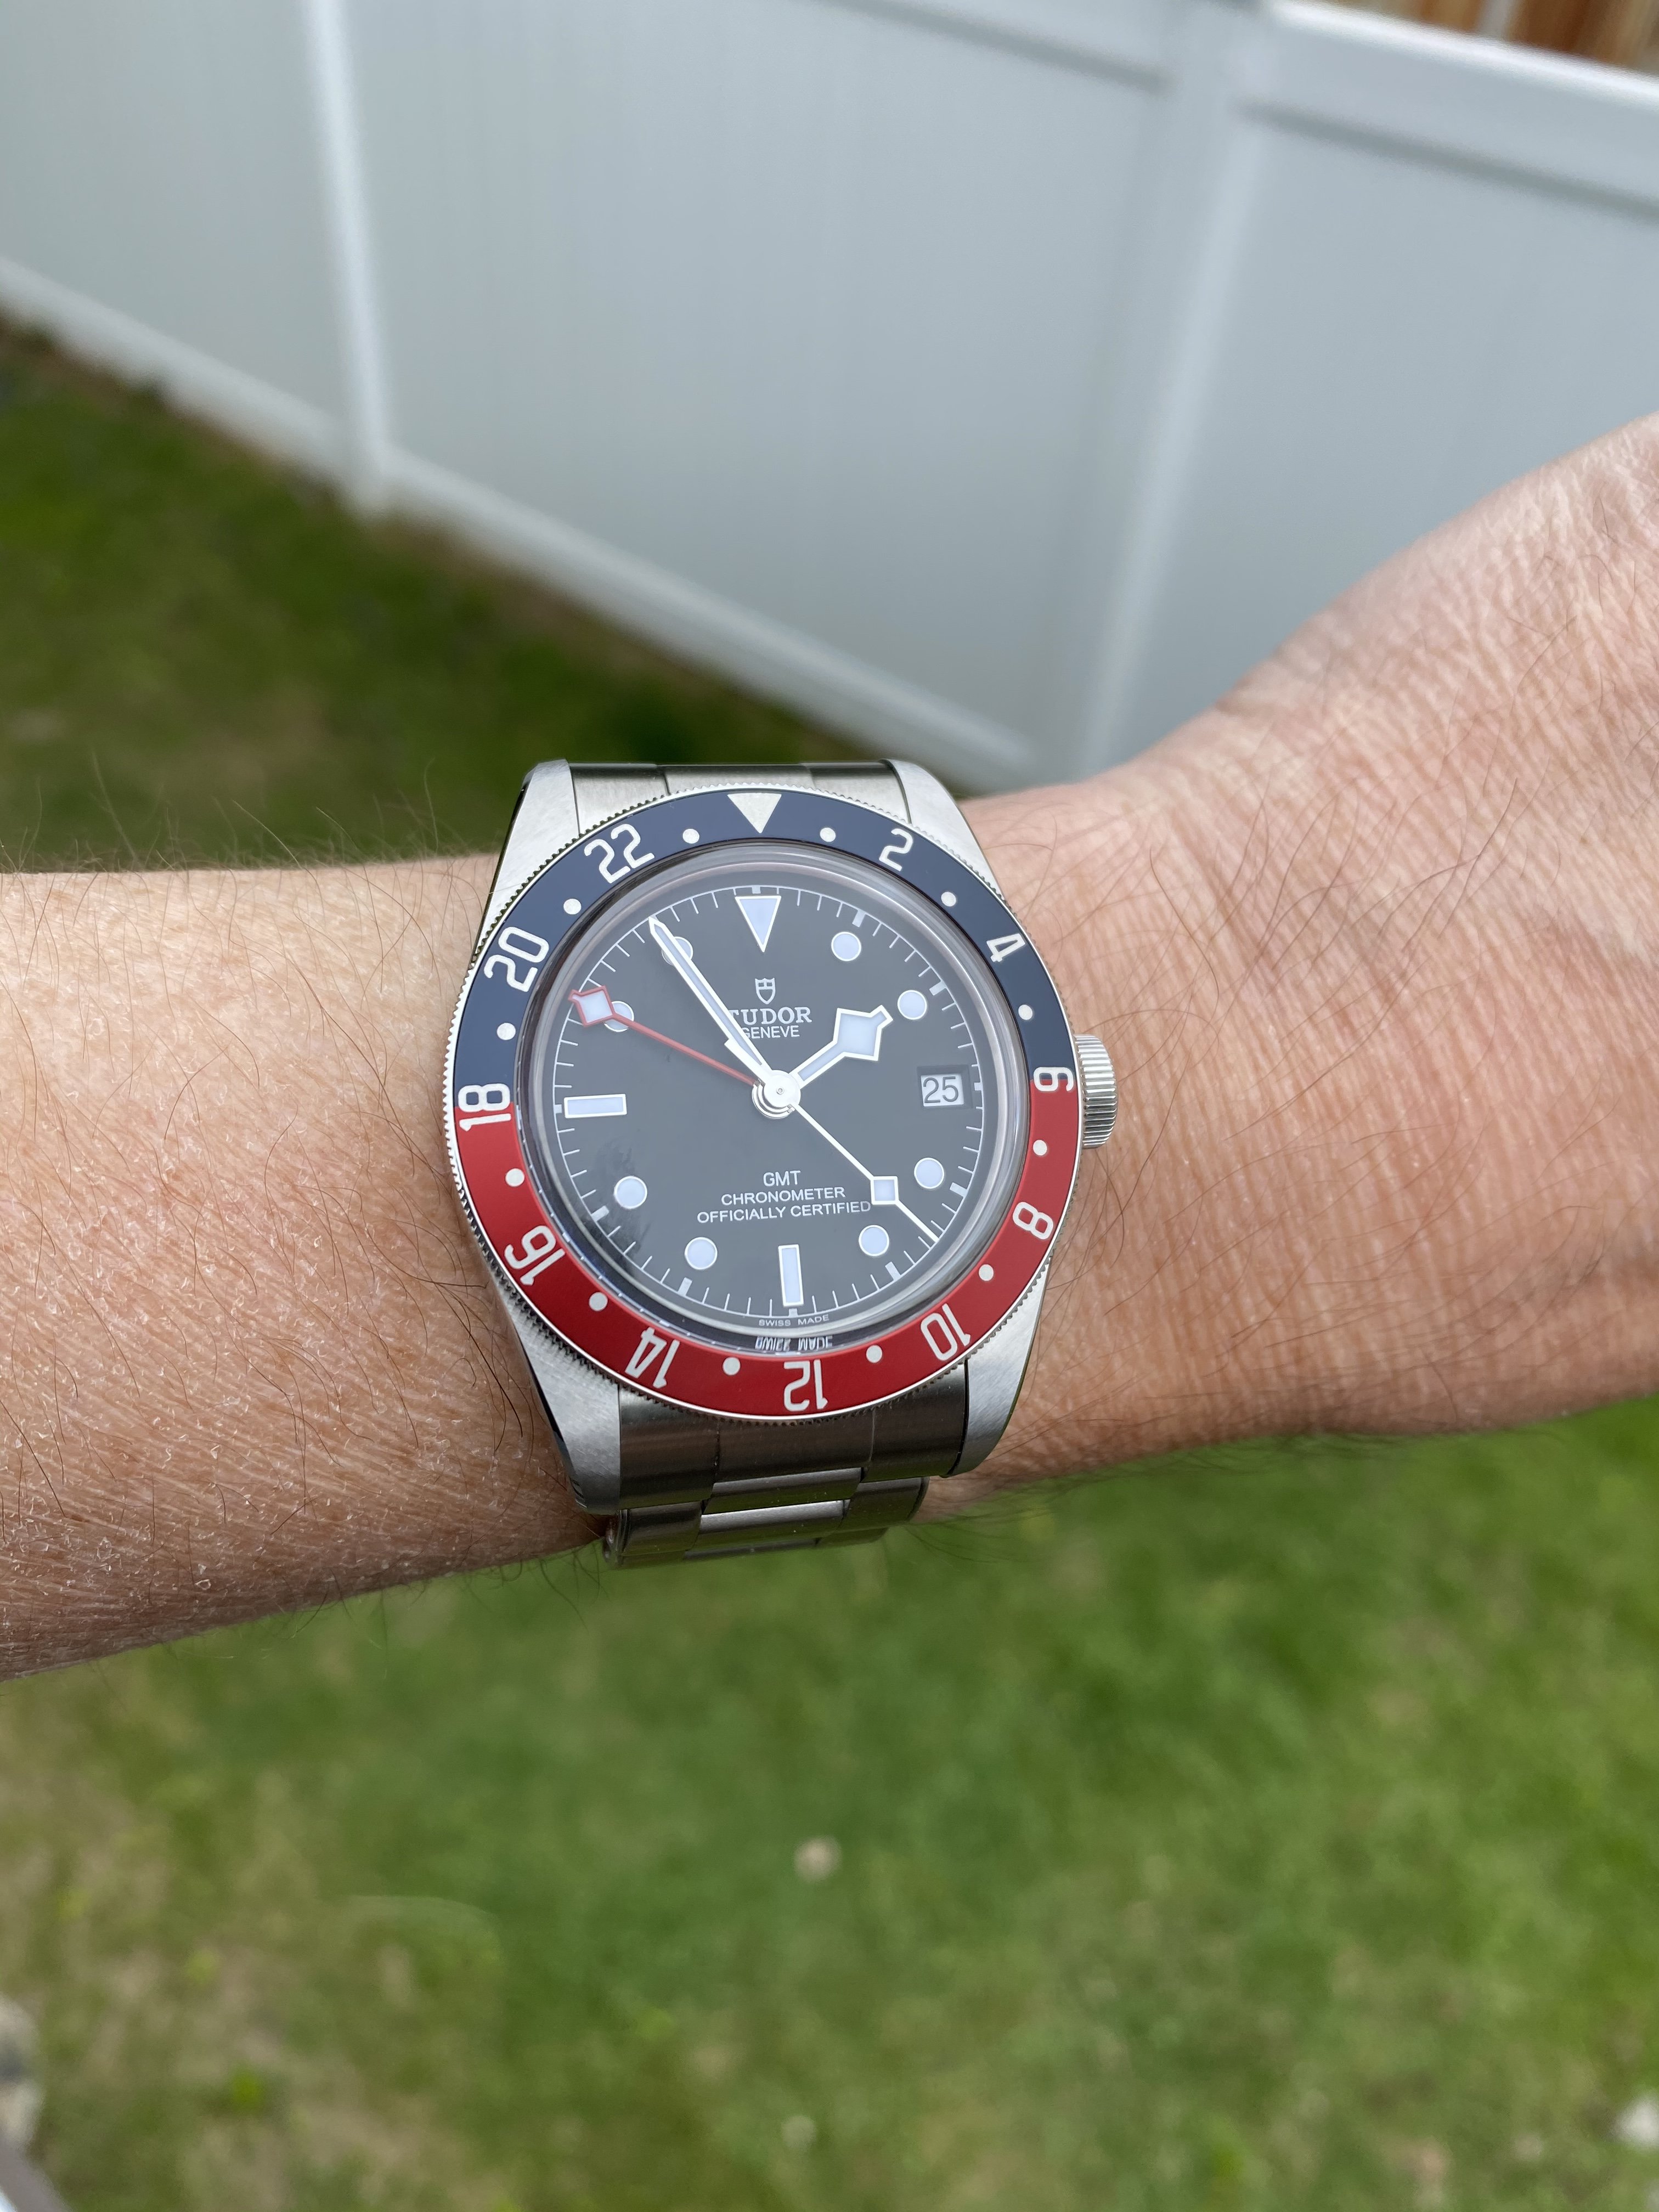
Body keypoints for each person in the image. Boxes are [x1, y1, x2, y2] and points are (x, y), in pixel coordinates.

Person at [3, 420, 1656, 1680]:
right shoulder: (599, 1029)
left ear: (1064, 1099)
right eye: (770, 1075)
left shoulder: (992, 1111)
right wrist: (1217, 932)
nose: (783, 1089)